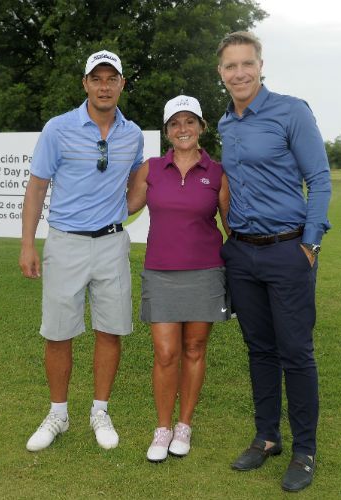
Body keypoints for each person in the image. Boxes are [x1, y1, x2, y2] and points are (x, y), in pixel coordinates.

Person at [215, 31, 331, 492]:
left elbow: (319, 179)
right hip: (243, 253)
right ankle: (267, 438)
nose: (239, 73)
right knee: (259, 350)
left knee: (296, 352)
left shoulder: (291, 110)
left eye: (247, 63)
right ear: (220, 73)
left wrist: (310, 244)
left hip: (288, 250)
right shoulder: (225, 123)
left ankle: (304, 449)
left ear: (261, 65)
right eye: (230, 66)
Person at [19, 50, 144, 452]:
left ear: (122, 83)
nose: (104, 86)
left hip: (111, 243)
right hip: (65, 243)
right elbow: (36, 188)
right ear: (85, 84)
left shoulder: (133, 133)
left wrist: (118, 213)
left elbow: (137, 184)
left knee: (110, 330)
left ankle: (100, 411)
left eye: (112, 78)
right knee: (58, 333)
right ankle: (58, 413)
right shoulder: (58, 129)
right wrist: (27, 245)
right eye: (97, 78)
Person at [127, 95, 230, 462]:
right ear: (167, 131)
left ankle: (184, 425)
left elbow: (230, 226)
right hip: (161, 272)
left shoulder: (217, 172)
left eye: (190, 122)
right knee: (166, 352)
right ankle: (163, 427)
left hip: (205, 272)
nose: (182, 129)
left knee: (194, 349)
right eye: (175, 123)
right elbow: (125, 206)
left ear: (201, 127)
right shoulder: (151, 168)